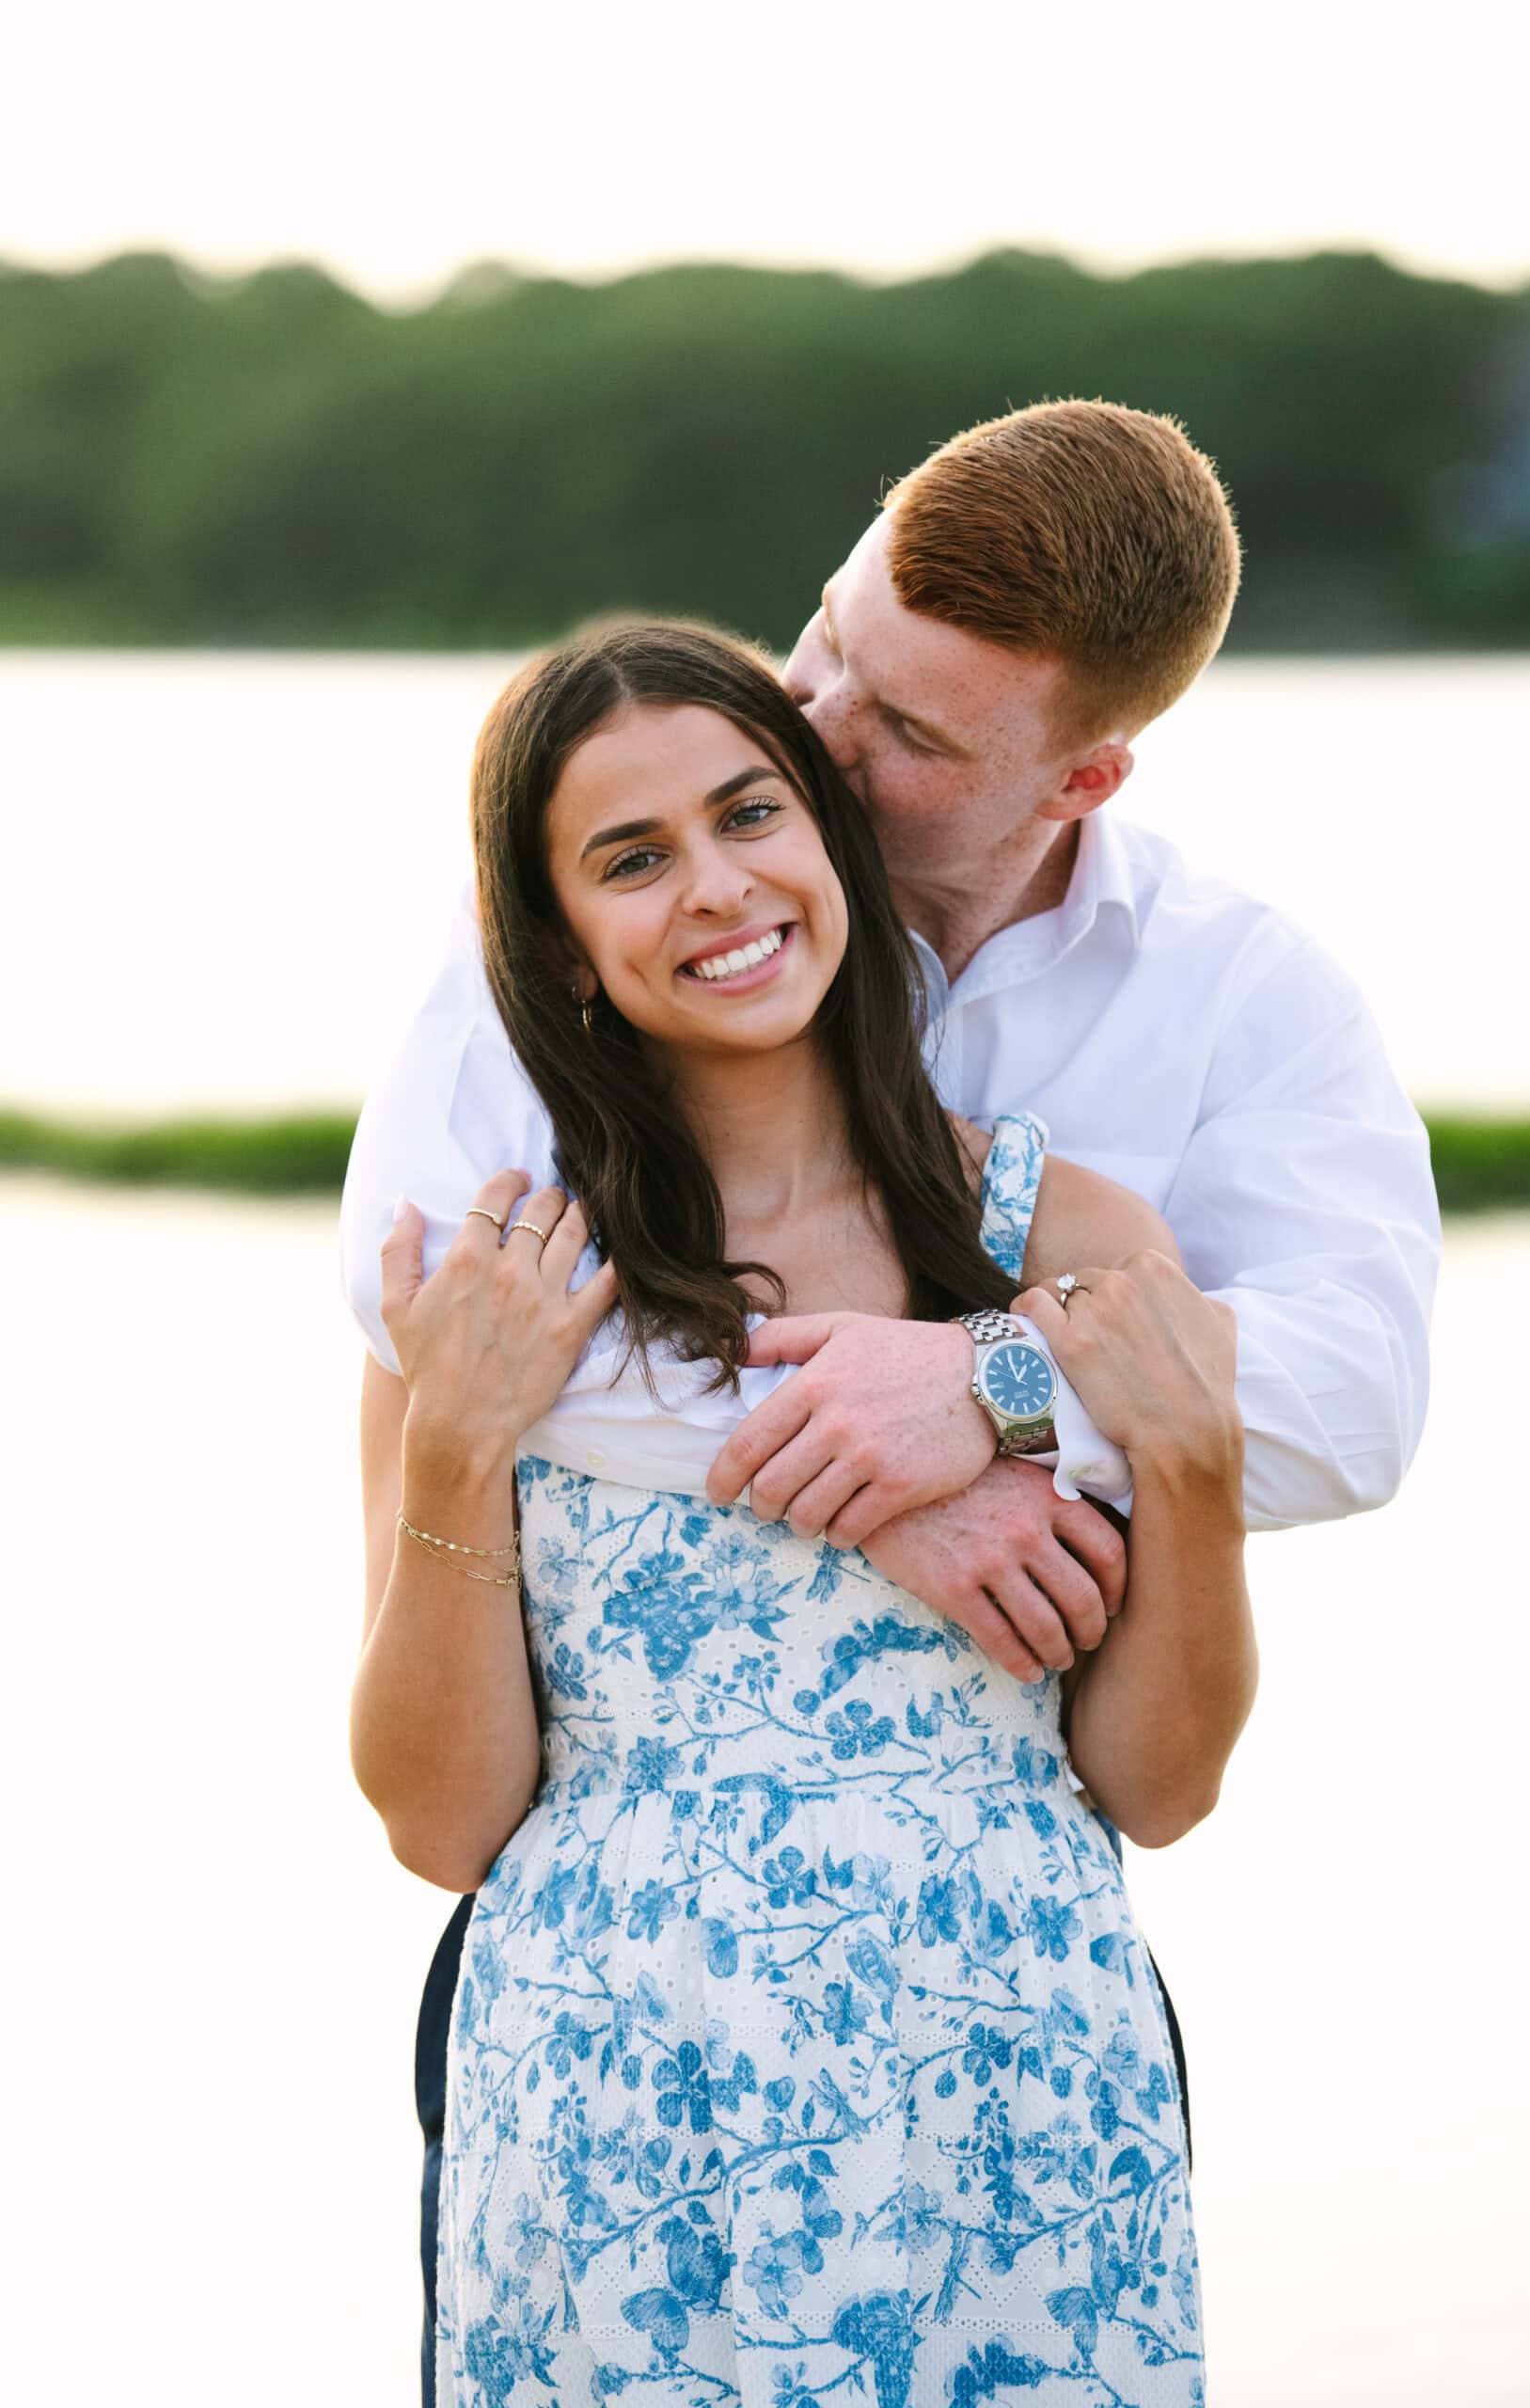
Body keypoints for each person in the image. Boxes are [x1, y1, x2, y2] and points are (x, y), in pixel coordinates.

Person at [339, 399, 1440, 2393]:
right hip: (611, 2019)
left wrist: (996, 1390)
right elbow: (426, 1295)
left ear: (1082, 774)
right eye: (831, 648)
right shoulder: (614, 855)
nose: (821, 738)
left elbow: (1344, 1395)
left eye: (906, 734)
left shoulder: (1217, 1012)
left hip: (1006, 2024)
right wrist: (879, 1480)